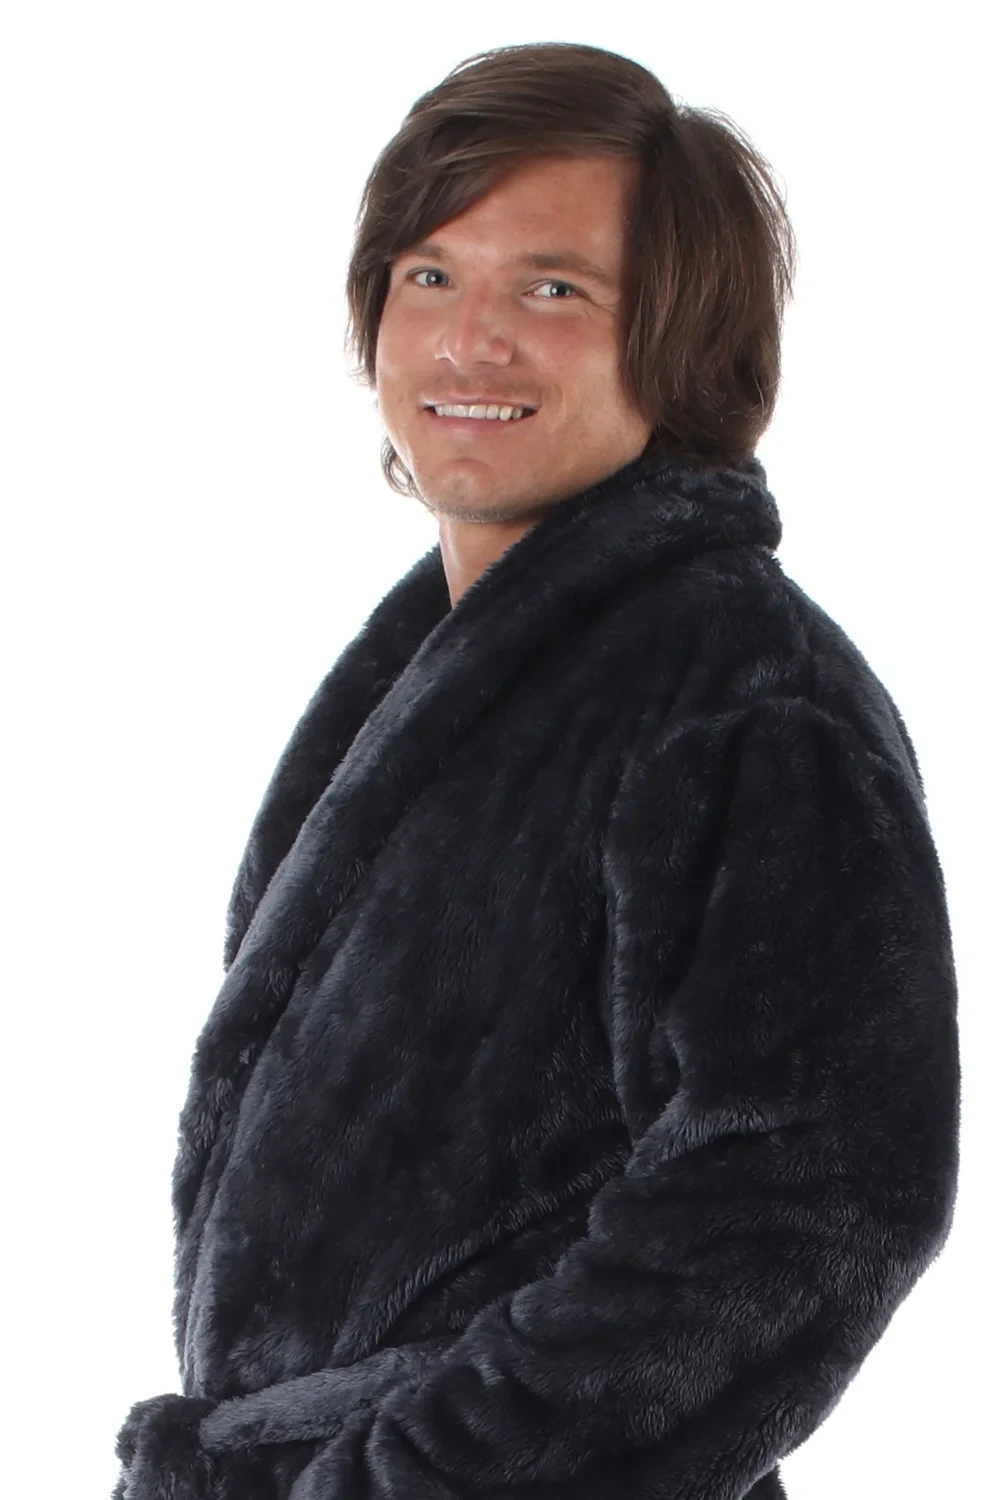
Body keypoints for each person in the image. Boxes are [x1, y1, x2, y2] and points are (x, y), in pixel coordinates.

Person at [111, 41, 960, 1500]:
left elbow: (814, 1192)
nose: (469, 341)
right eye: (430, 275)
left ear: (681, 339)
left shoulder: (746, 696)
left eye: (553, 290)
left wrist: (422, 1472)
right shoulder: (434, 678)